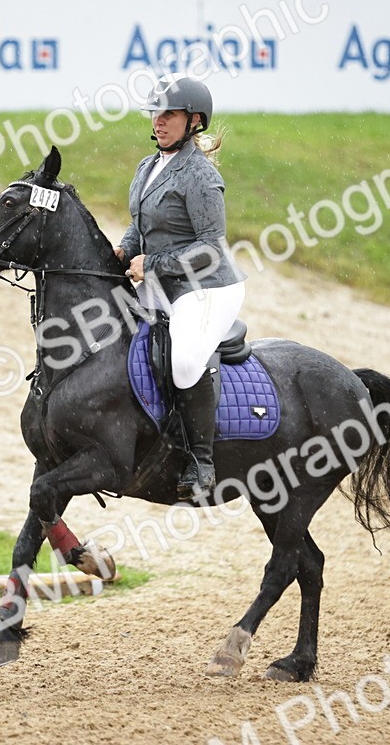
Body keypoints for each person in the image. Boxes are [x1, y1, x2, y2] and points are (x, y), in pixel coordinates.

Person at [114, 75, 246, 501]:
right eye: (156, 113)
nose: (159, 121)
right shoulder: (148, 165)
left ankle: (201, 463)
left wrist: (151, 263)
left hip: (206, 288)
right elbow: (140, 225)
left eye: (169, 114)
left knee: (186, 363)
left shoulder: (200, 176)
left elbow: (209, 248)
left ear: (194, 121)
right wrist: (122, 250)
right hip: (162, 283)